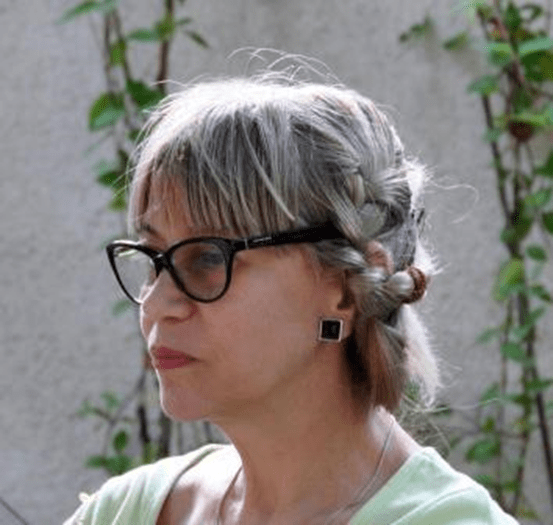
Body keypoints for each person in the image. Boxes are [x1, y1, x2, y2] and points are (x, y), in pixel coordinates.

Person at [64, 71, 519, 525]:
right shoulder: (123, 512)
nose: (156, 304)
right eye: (154, 259)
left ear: (344, 287)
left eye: (207, 258)